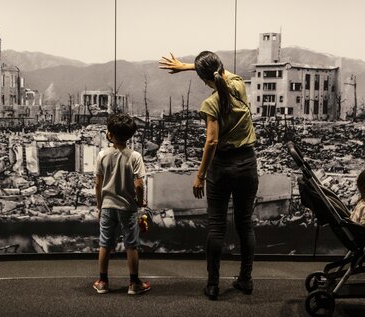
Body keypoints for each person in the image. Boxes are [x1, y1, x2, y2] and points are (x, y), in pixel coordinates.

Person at [159, 51, 259, 300]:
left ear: (205, 80)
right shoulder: (238, 85)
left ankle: (213, 285)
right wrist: (187, 66)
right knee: (245, 225)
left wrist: (200, 175)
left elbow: (212, 141)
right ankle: (245, 280)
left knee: (216, 227)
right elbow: (217, 71)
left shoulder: (211, 104)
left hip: (222, 167)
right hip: (247, 163)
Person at [93, 112, 151, 295]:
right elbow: (139, 184)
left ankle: (102, 282)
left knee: (104, 244)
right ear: (130, 135)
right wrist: (140, 202)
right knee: (131, 245)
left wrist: (99, 206)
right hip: (128, 207)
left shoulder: (102, 155)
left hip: (108, 206)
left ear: (109, 134)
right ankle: (134, 284)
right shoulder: (135, 157)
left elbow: (97, 184)